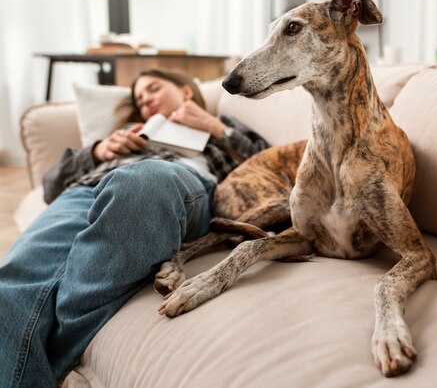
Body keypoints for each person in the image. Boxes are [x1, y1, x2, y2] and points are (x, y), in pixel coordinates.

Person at [0, 69, 269, 387]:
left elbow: (272, 165)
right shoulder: (127, 132)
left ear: (185, 91)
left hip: (173, 185)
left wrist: (213, 128)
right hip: (86, 192)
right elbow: (50, 185)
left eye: (154, 89)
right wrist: (99, 151)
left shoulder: (222, 125)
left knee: (144, 180)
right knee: (8, 292)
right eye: (140, 99)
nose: (146, 101)